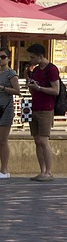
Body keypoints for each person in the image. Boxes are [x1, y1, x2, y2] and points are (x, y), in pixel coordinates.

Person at [25, 43, 59, 181]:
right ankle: (42, 170)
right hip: (35, 107)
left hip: (46, 108)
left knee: (44, 140)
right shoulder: (37, 70)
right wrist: (31, 85)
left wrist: (39, 88)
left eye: (32, 57)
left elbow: (56, 90)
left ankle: (49, 171)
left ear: (40, 56)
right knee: (37, 140)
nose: (30, 60)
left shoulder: (51, 69)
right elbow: (34, 90)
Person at [0, 48, 17, 179]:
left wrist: (3, 88)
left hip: (5, 108)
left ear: (8, 58)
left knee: (3, 140)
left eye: (3, 57)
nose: (1, 59)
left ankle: (4, 169)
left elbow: (17, 91)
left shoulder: (11, 73)